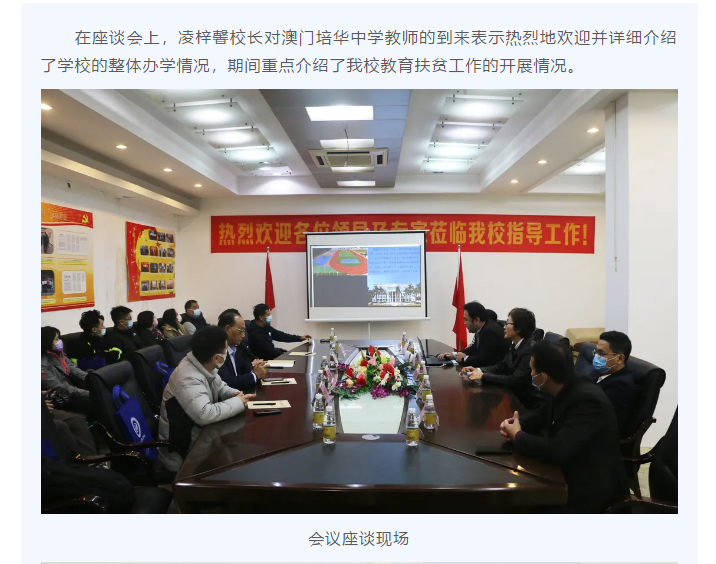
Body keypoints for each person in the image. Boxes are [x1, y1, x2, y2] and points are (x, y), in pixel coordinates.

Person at [499, 340, 629, 513]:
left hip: (589, 490)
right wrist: (517, 423)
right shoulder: (562, 383)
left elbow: (558, 450)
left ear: (544, 377)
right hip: (566, 471)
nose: (531, 374)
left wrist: (518, 436)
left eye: (532, 370)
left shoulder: (587, 400)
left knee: (512, 504)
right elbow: (544, 414)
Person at [158, 326, 256, 472]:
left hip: (203, 439)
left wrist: (236, 395)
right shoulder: (187, 378)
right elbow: (205, 414)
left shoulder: (203, 364)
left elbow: (220, 387)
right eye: (225, 349)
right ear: (216, 357)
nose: (227, 352)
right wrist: (238, 403)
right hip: (184, 455)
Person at [461, 307, 545, 410]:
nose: (504, 327)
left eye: (508, 323)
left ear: (518, 328)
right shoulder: (516, 345)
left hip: (526, 404)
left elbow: (514, 380)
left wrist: (483, 376)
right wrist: (478, 370)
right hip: (514, 398)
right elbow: (501, 366)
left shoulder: (529, 350)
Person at [581, 331, 638, 438]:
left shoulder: (621, 387)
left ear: (619, 359)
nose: (596, 357)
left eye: (601, 353)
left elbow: (599, 420)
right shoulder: (599, 372)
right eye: (596, 352)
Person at [41, 327, 94, 417]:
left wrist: (92, 379)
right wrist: (87, 393)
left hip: (73, 388)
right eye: (56, 339)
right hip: (63, 395)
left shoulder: (58, 354)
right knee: (94, 400)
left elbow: (74, 369)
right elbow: (59, 387)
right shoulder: (42, 365)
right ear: (47, 342)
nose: (60, 341)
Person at [438, 301, 509, 367]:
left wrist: (464, 358)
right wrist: (454, 354)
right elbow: (474, 348)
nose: (464, 323)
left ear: (476, 320)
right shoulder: (483, 327)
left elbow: (485, 360)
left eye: (466, 319)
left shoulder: (490, 332)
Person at [217, 311, 268, 391]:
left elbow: (244, 366)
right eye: (240, 330)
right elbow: (227, 382)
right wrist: (254, 375)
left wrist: (256, 368)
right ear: (227, 329)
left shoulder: (235, 347)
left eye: (244, 331)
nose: (243, 335)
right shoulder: (217, 351)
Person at [247, 303, 311, 360]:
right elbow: (269, 351)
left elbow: (281, 335)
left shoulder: (265, 326)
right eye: (268, 314)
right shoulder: (255, 333)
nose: (270, 316)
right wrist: (286, 355)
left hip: (271, 357)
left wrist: (300, 338)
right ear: (261, 317)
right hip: (264, 362)